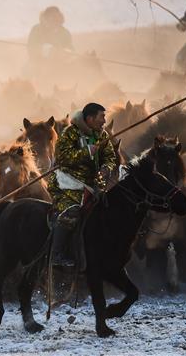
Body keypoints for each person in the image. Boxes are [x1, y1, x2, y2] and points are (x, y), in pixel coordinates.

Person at [48, 102, 118, 267]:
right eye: (102, 117)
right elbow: (62, 157)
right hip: (67, 183)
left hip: (93, 184)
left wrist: (106, 168)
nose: (104, 121)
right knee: (71, 212)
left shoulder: (102, 135)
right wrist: (86, 152)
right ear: (90, 118)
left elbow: (110, 157)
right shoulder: (70, 133)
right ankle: (57, 255)